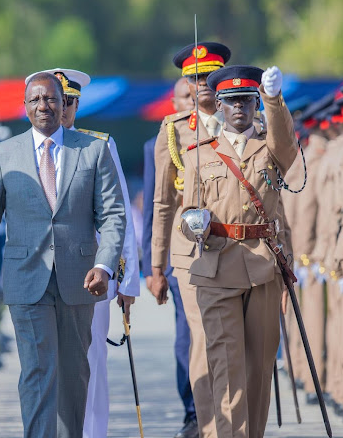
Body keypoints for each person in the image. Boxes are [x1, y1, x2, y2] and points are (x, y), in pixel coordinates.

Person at [0, 71, 126, 437]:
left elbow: (114, 215)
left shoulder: (92, 149)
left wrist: (105, 265)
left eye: (51, 98)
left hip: (81, 280)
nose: (44, 106)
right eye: (35, 100)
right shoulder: (3, 155)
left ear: (64, 103)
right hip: (26, 280)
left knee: (73, 375)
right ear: (24, 107)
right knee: (38, 374)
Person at [179, 65, 296, 438]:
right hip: (217, 266)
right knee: (226, 367)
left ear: (255, 103)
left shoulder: (271, 147)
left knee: (260, 369)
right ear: (220, 106)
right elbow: (185, 214)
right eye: (231, 102)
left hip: (262, 265)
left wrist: (275, 101)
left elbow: (288, 149)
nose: (240, 108)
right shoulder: (199, 153)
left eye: (247, 100)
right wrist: (191, 223)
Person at [25, 66, 139, 438]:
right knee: (44, 366)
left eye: (69, 101)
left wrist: (127, 278)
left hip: (92, 274)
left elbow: (117, 215)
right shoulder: (27, 147)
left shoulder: (98, 145)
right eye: (56, 100)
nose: (62, 109)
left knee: (90, 363)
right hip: (40, 274)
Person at [150, 41, 231, 437]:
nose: (203, 84)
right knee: (201, 340)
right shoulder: (174, 130)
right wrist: (155, 267)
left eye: (209, 77)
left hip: (237, 248)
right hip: (192, 254)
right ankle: (205, 423)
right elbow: (163, 204)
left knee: (236, 343)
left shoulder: (241, 124)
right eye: (195, 78)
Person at [142, 76, 196, 437]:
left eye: (198, 92)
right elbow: (155, 207)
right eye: (185, 95)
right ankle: (193, 411)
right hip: (183, 256)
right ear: (173, 102)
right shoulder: (161, 142)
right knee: (186, 337)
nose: (192, 100)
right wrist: (152, 267)